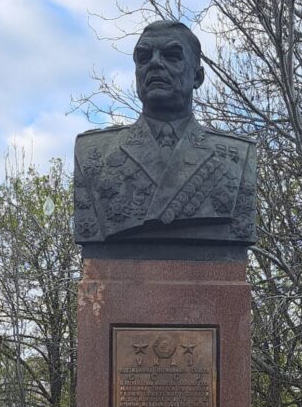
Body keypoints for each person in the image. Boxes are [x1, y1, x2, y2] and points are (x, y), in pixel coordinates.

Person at [73, 20, 257, 253]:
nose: (155, 63)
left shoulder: (238, 158)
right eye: (144, 58)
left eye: (171, 56)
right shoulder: (92, 153)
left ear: (197, 77)